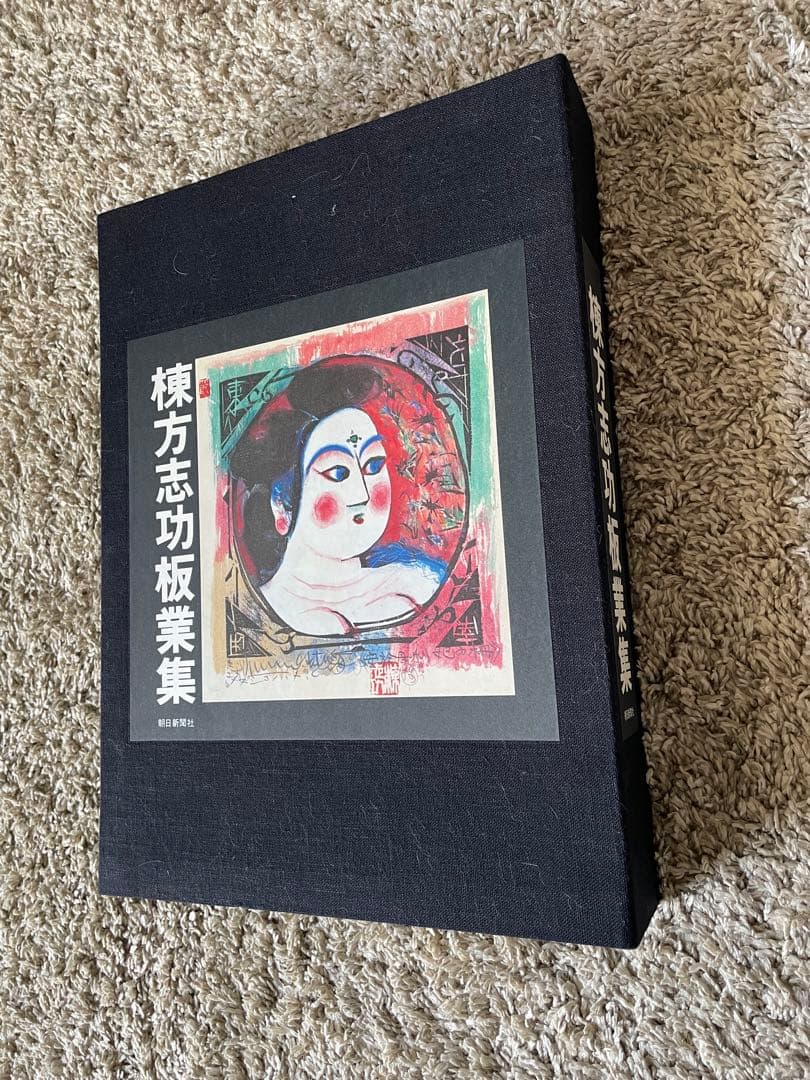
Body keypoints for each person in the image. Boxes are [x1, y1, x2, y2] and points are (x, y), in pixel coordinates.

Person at [228, 358, 446, 636]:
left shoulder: (417, 581)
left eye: (373, 466)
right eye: (338, 473)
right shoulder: (257, 610)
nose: (362, 494)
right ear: (281, 505)